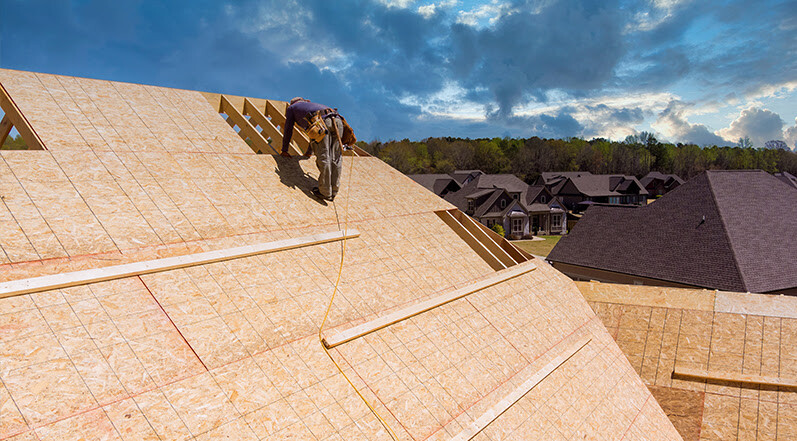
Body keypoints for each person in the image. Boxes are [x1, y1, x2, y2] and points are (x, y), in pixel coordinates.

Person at [281, 97, 343, 201]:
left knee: (324, 156)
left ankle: (325, 192)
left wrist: (284, 150)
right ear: (305, 100)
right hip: (338, 120)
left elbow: (288, 129)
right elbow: (312, 134)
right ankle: (334, 191)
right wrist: (309, 152)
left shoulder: (292, 108)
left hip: (321, 123)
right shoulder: (310, 106)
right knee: (336, 157)